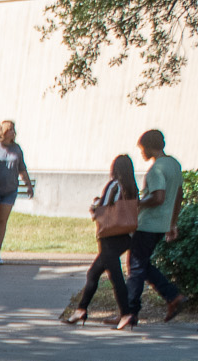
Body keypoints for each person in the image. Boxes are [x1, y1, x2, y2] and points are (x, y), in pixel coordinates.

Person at [68, 154, 142, 329]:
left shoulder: (114, 185)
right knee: (93, 273)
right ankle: (81, 309)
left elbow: (104, 206)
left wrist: (94, 207)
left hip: (109, 236)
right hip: (125, 235)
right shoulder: (132, 187)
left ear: (115, 169)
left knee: (115, 277)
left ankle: (126, 313)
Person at [128, 130, 186, 322]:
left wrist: (138, 203)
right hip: (162, 224)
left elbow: (158, 196)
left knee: (135, 267)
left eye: (142, 148)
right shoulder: (174, 164)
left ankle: (131, 312)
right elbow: (178, 195)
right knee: (143, 265)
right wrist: (172, 222)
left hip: (148, 224)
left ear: (149, 146)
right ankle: (172, 296)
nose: (142, 153)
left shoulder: (157, 169)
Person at [0, 121, 32, 264]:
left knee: (2, 221)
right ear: (2, 131)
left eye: (14, 130)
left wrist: (28, 185)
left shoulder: (17, 148)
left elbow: (22, 168)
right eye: (10, 130)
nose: (13, 132)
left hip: (10, 190)